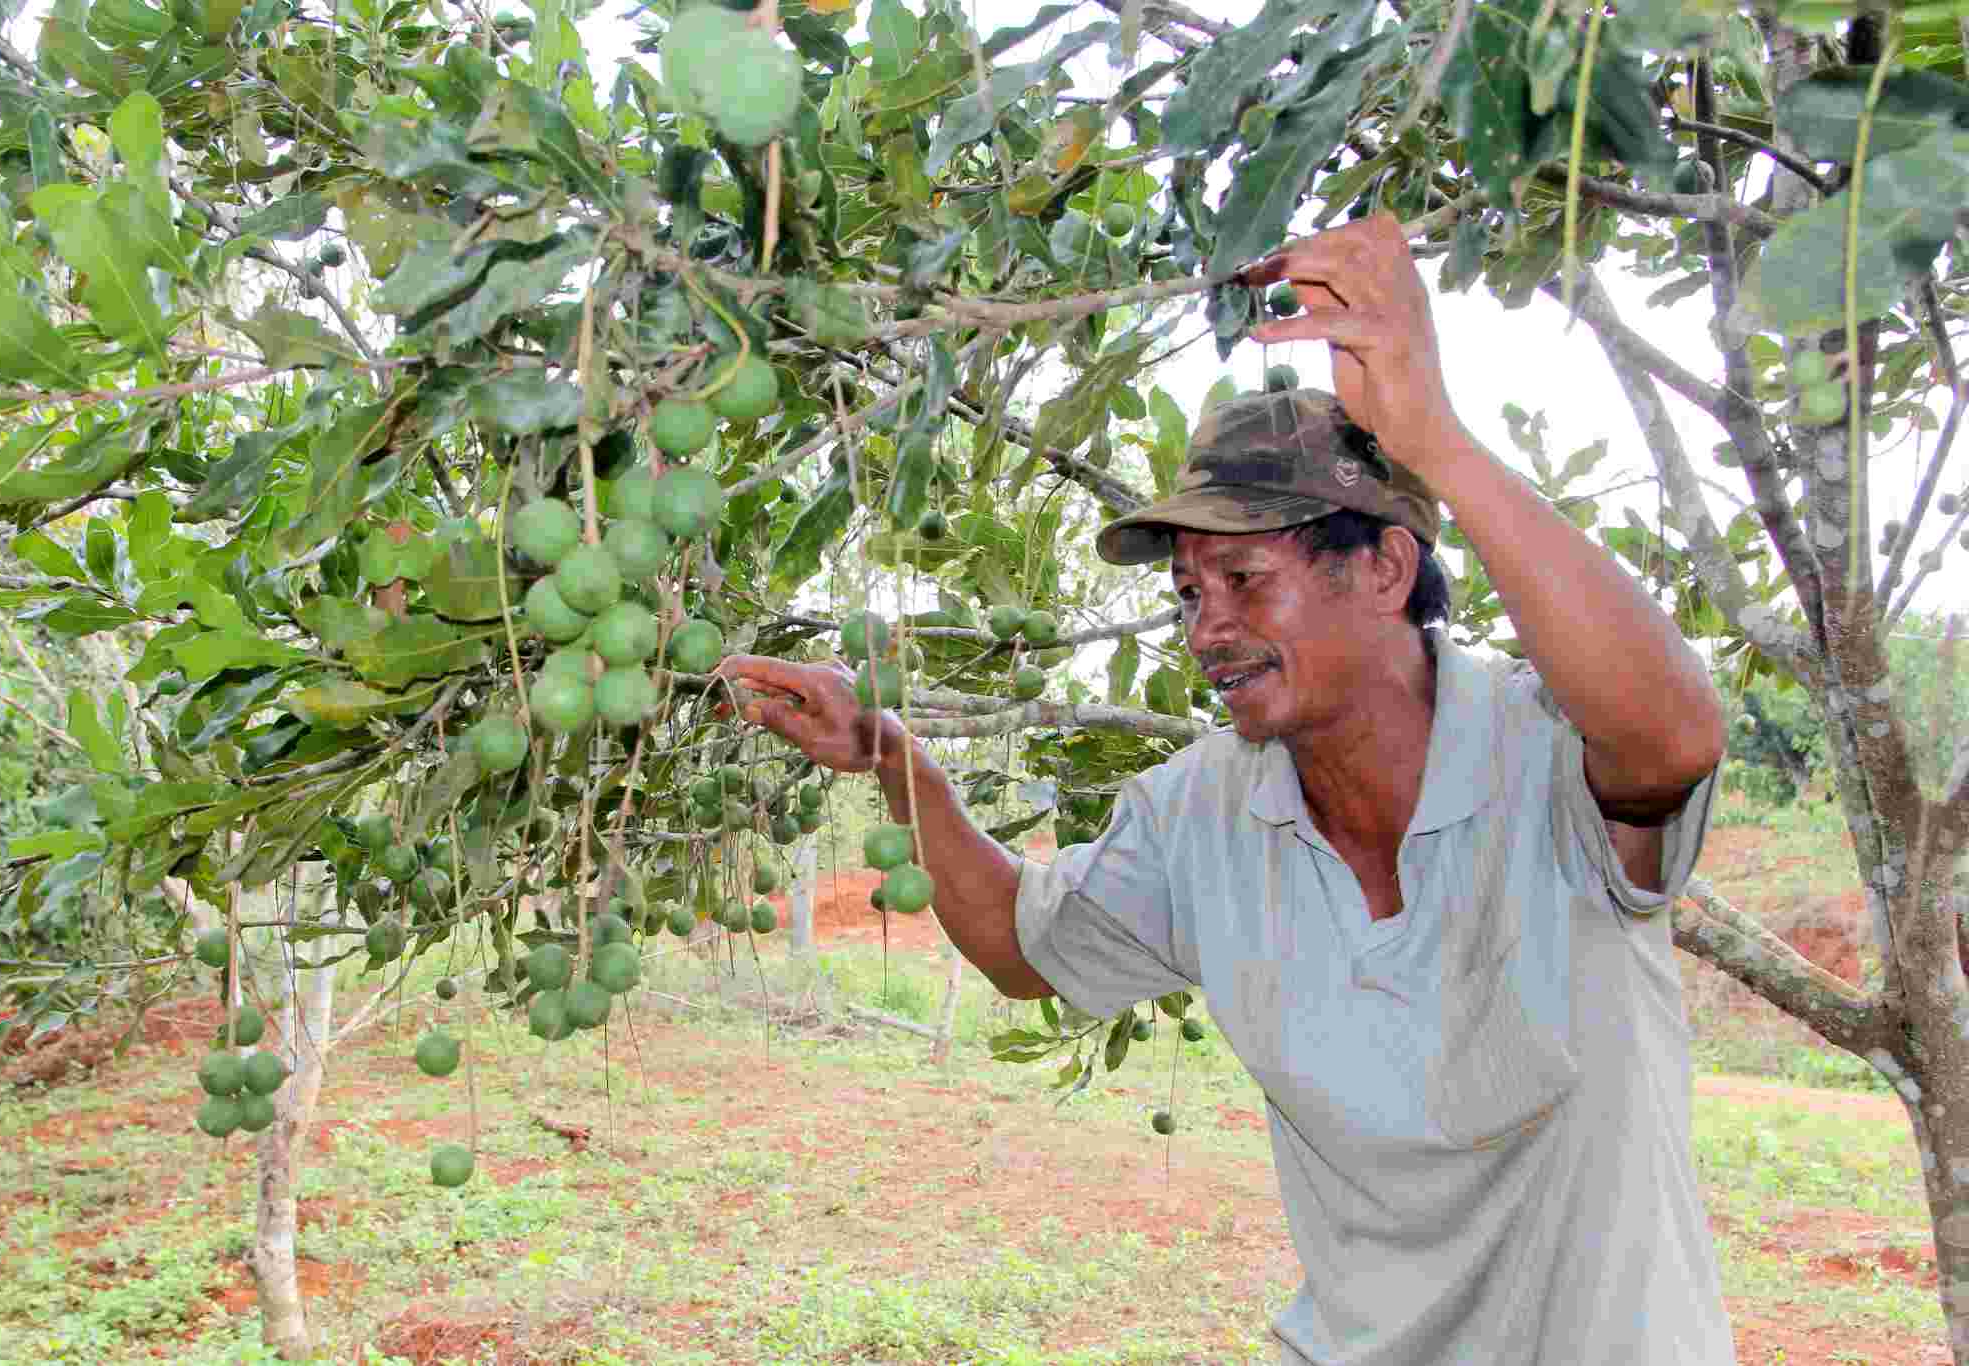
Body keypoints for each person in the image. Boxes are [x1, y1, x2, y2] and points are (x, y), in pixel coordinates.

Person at [716, 213, 1733, 1365]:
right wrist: (892, 759)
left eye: (1243, 576)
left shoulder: (1543, 749)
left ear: (1385, 567)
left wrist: (1433, 439)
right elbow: (1016, 943)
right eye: (1189, 593)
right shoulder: (1203, 809)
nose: (1209, 628)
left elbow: (1670, 740)